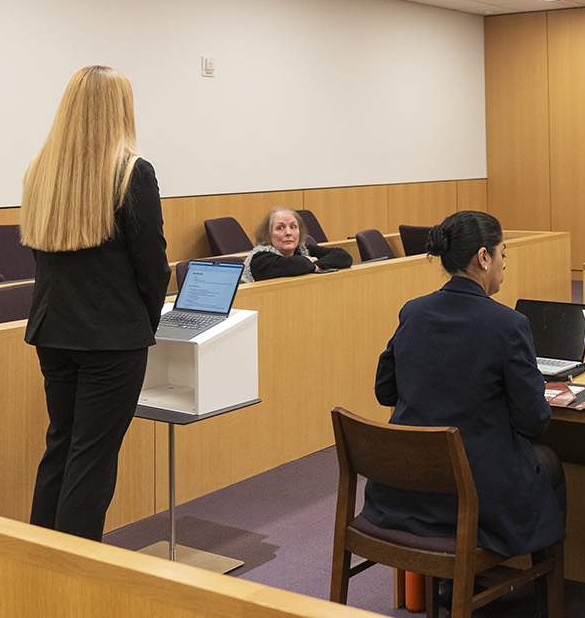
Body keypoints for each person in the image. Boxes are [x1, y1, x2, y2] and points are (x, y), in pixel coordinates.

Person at [363, 210, 565, 563]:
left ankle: (446, 585)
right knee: (548, 464)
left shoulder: (413, 311)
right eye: (503, 254)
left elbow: (385, 391)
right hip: (476, 498)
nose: (505, 263)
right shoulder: (509, 324)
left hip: (404, 489)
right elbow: (534, 421)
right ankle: (544, 593)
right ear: (483, 257)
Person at [20, 65, 169, 540]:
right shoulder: (132, 172)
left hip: (53, 332)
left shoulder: (41, 172)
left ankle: (41, 565)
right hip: (112, 337)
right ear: (120, 111)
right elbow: (154, 267)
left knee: (61, 446)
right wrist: (142, 326)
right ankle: (77, 578)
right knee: (93, 459)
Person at [241, 207, 352, 281]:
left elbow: (343, 256)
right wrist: (309, 262)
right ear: (268, 234)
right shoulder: (260, 258)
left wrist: (316, 266)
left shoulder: (302, 250)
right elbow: (293, 265)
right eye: (280, 228)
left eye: (293, 227)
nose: (288, 233)